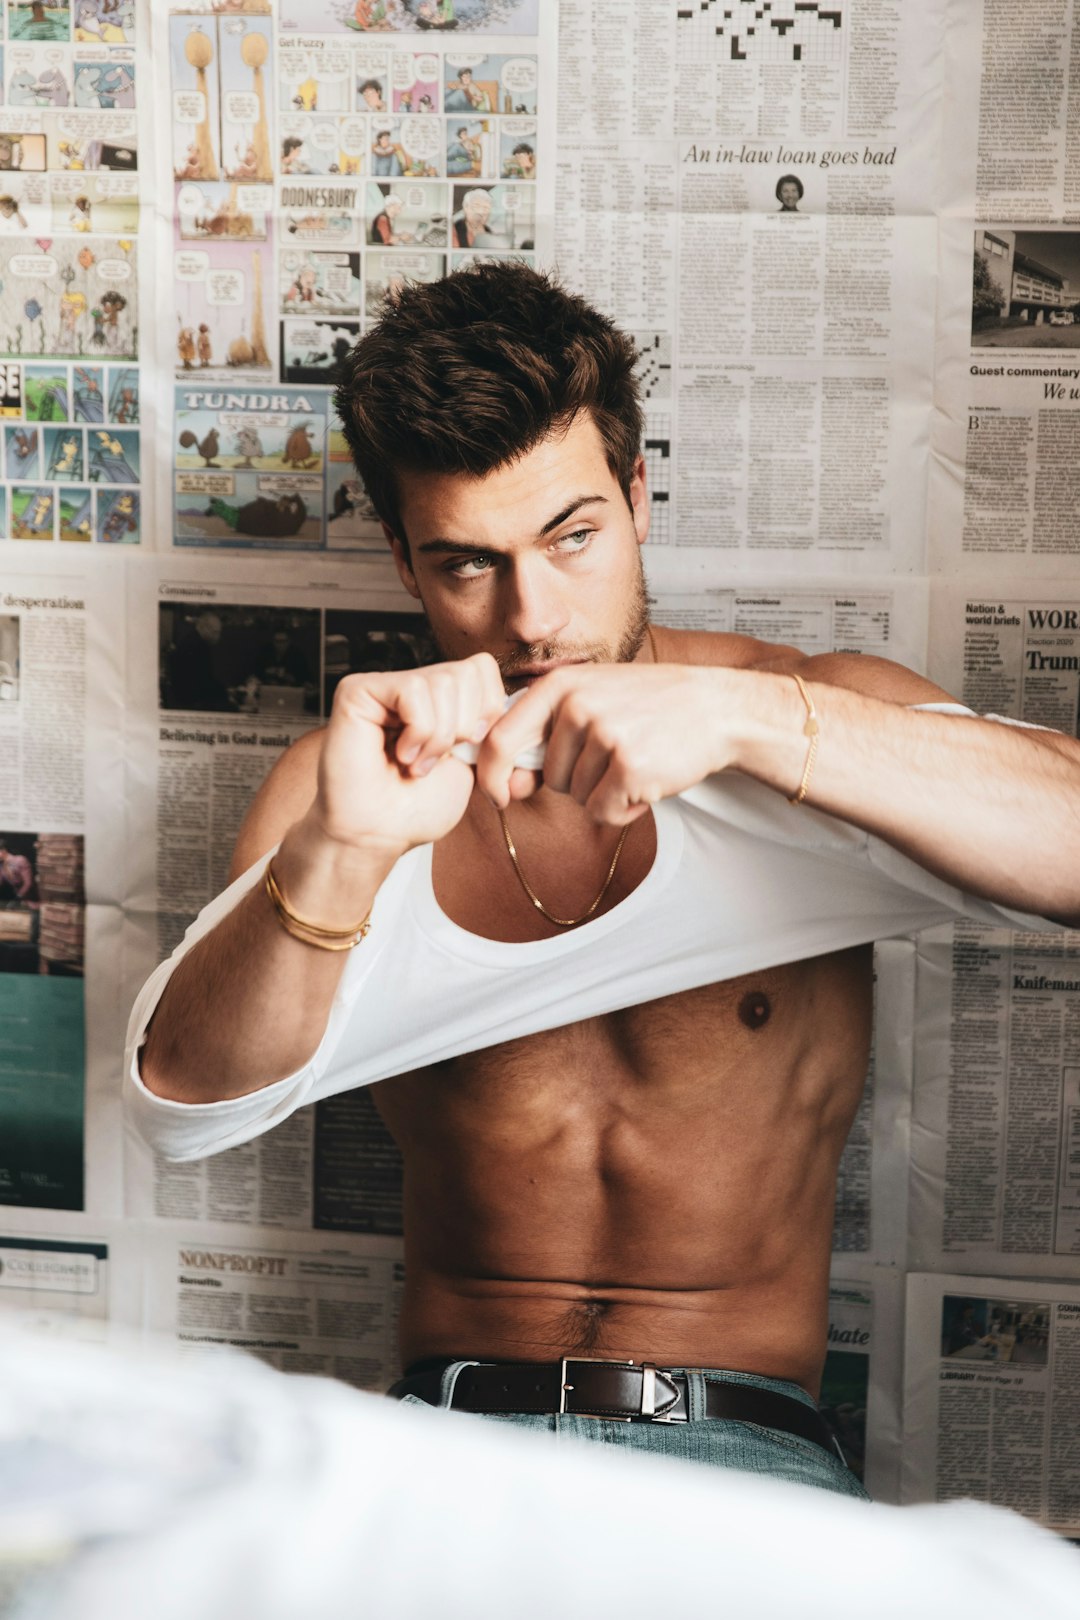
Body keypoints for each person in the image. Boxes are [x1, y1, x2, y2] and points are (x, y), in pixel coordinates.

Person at [128, 263, 1080, 1500]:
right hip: (442, 1439)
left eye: (573, 537)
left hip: (738, 1449)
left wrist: (744, 723)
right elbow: (189, 1103)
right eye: (469, 564)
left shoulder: (810, 710)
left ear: (637, 496)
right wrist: (344, 850)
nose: (532, 618)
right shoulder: (350, 777)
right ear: (405, 560)